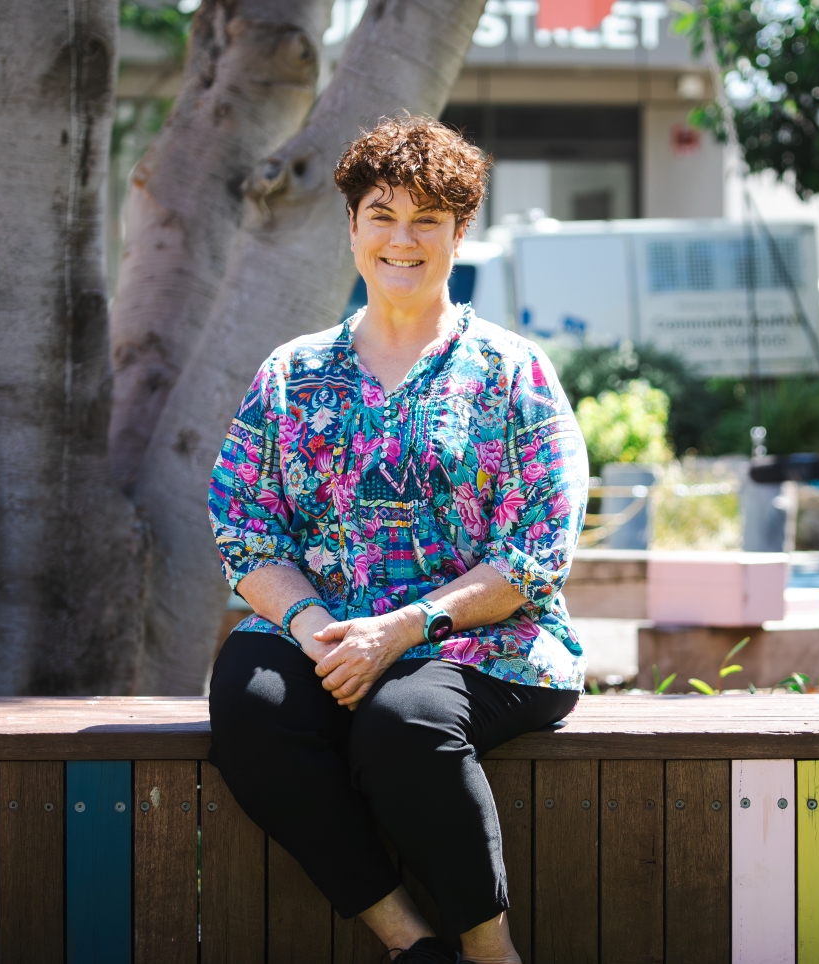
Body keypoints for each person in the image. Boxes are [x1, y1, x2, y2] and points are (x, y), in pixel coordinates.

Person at [206, 115, 589, 964]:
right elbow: (244, 523)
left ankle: (492, 953)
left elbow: (539, 549)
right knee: (250, 706)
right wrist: (313, 629)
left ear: (460, 230)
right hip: (328, 634)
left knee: (402, 723)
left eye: (428, 218)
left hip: (483, 644)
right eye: (381, 214)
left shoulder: (512, 371)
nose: (402, 238)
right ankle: (411, 944)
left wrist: (405, 630)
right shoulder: (291, 373)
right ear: (351, 228)